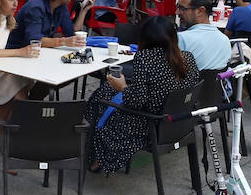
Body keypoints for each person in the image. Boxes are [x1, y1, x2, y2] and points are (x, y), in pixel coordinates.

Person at [83, 16, 199, 174]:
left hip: (150, 123)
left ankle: (98, 153)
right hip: (178, 120)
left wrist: (123, 87)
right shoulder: (188, 57)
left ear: (145, 38)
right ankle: (95, 142)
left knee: (102, 96)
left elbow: (136, 101)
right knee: (108, 93)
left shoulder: (145, 58)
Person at [11, 0, 82, 48]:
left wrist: (83, 10)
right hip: (17, 51)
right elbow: (34, 39)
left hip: (37, 51)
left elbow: (70, 33)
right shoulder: (36, 8)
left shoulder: (61, 7)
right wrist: (62, 41)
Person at [175, 0, 232, 72]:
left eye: (182, 8)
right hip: (215, 85)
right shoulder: (225, 40)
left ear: (200, 11)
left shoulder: (181, 38)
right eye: (177, 7)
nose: (177, 12)